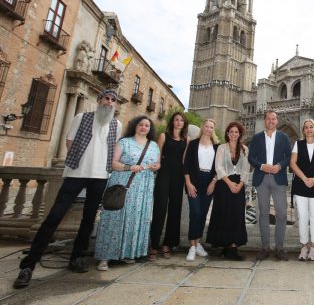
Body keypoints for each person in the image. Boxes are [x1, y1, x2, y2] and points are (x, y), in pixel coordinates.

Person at [14, 89, 122, 288]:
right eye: (106, 98)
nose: (109, 102)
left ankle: (77, 257)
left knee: (89, 219)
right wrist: (79, 162)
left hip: (100, 176)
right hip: (76, 175)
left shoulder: (116, 124)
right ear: (99, 100)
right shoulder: (82, 117)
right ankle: (28, 266)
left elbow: (113, 149)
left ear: (115, 104)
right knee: (54, 216)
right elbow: (69, 142)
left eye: (113, 100)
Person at [94, 116, 161, 270]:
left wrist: (154, 167)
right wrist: (129, 167)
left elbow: (158, 164)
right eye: (141, 125)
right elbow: (113, 163)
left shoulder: (154, 146)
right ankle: (105, 257)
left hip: (144, 187)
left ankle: (128, 253)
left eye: (147, 125)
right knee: (114, 218)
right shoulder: (124, 142)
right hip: (123, 184)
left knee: (136, 218)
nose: (144, 127)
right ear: (135, 126)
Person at [248, 110, 292, 261]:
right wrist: (261, 166)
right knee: (263, 214)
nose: (271, 121)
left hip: (278, 178)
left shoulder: (284, 137)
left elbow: (289, 157)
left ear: (277, 121)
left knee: (282, 213)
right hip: (262, 179)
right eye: (268, 118)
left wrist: (280, 165)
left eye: (273, 119)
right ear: (265, 121)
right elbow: (251, 158)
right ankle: (265, 247)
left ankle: (279, 248)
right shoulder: (257, 137)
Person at [206, 121, 250, 261]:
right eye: (231, 132)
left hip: (239, 185)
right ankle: (226, 246)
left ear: (240, 134)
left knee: (236, 215)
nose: (234, 134)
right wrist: (230, 183)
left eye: (236, 132)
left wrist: (240, 184)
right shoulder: (221, 148)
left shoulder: (244, 149)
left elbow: (246, 169)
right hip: (224, 184)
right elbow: (218, 167)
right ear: (227, 133)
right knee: (223, 213)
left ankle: (232, 246)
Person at [149, 112, 189, 261]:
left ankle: (168, 244)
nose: (179, 122)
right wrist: (157, 166)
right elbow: (157, 156)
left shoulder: (186, 140)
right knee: (159, 208)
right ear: (172, 122)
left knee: (175, 210)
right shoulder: (163, 137)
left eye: (181, 121)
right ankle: (154, 245)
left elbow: (185, 160)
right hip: (164, 174)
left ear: (184, 124)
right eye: (176, 120)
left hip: (178, 176)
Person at [289, 119, 314, 261]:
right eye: (306, 128)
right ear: (303, 130)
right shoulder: (297, 145)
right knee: (303, 217)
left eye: (311, 127)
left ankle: (313, 247)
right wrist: (305, 178)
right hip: (301, 184)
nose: (309, 129)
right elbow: (293, 163)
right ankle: (304, 247)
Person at [183, 119, 219, 261]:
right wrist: (188, 183)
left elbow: (219, 166)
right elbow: (186, 165)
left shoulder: (217, 146)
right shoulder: (192, 144)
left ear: (213, 130)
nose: (208, 129)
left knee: (203, 214)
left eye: (211, 127)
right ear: (202, 127)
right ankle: (192, 246)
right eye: (207, 126)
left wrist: (214, 182)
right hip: (194, 181)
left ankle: (198, 244)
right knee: (195, 212)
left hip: (209, 182)